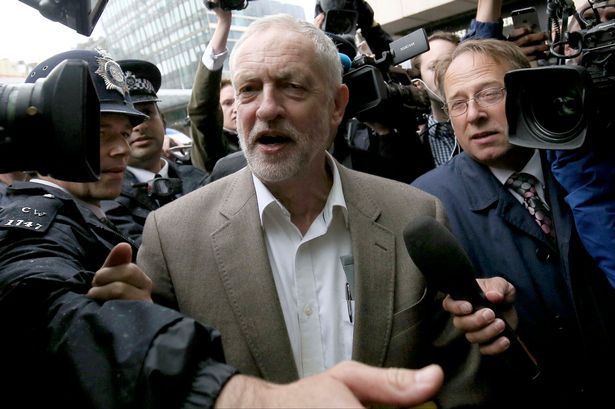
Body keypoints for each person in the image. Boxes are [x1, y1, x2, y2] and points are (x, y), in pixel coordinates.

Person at [0, 47, 446, 409]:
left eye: (126, 129)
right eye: (100, 133)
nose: (121, 148)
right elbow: (38, 310)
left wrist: (141, 315)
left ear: (337, 105)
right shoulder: (35, 226)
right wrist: (238, 395)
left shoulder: (413, 212)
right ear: (50, 134)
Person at [137, 14, 496, 408]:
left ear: (337, 105)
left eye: (291, 87)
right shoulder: (171, 238)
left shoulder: (414, 215)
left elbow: (462, 380)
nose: (267, 109)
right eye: (249, 90)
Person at [411, 38, 615, 407]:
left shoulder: (588, 164)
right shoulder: (426, 205)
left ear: (529, 92)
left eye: (489, 94)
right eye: (457, 103)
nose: (474, 114)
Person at [100, 59, 208, 247]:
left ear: (164, 122)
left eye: (146, 113)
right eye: (129, 120)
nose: (140, 126)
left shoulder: (200, 179)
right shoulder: (107, 200)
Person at [189, 3, 240, 173]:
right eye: (227, 103)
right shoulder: (214, 147)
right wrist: (224, 22)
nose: (235, 108)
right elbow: (202, 112)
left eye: (239, 100)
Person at [411, 31, 461, 167]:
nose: (444, 72)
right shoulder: (414, 145)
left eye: (451, 62)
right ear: (418, 81)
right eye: (434, 67)